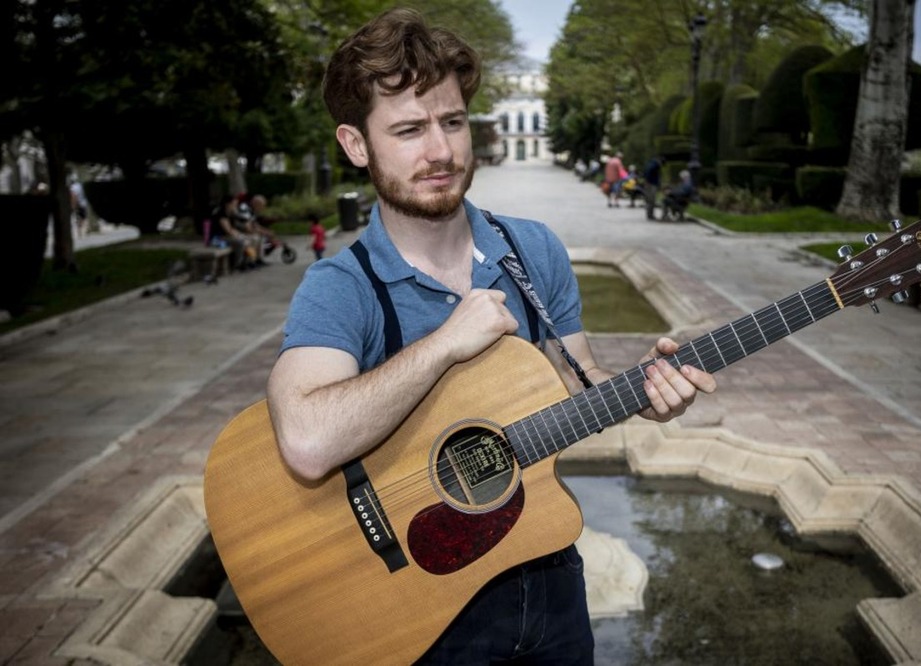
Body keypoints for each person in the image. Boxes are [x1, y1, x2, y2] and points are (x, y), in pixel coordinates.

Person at [266, 7, 716, 664]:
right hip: (423, 610)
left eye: (451, 122)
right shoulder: (341, 286)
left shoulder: (533, 250)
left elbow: (576, 382)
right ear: (356, 145)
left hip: (549, 575)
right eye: (410, 129)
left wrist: (642, 390)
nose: (441, 151)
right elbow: (305, 441)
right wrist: (448, 341)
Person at [642, 155, 664, 221]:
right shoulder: (655, 165)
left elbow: (645, 172)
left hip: (648, 183)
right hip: (651, 184)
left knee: (649, 200)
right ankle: (650, 215)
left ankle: (649, 214)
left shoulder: (650, 163)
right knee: (652, 199)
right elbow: (649, 172)